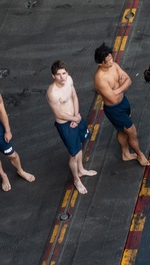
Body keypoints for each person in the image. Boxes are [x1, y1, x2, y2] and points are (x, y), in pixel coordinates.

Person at [93, 43, 150, 166]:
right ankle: (140, 154)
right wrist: (121, 86)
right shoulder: (100, 79)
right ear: (100, 63)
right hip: (114, 110)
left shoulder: (114, 65)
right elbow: (113, 99)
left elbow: (129, 80)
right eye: (107, 61)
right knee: (132, 132)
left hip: (123, 102)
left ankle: (125, 154)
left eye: (111, 59)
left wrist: (117, 90)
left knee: (121, 130)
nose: (110, 62)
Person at [46, 61, 98, 194]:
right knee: (74, 154)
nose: (62, 77)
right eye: (58, 75)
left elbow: (74, 96)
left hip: (76, 117)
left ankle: (81, 170)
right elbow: (59, 113)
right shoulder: (52, 93)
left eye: (64, 73)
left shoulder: (69, 80)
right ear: (53, 76)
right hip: (65, 125)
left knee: (80, 143)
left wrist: (77, 115)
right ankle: (76, 180)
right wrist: (74, 119)